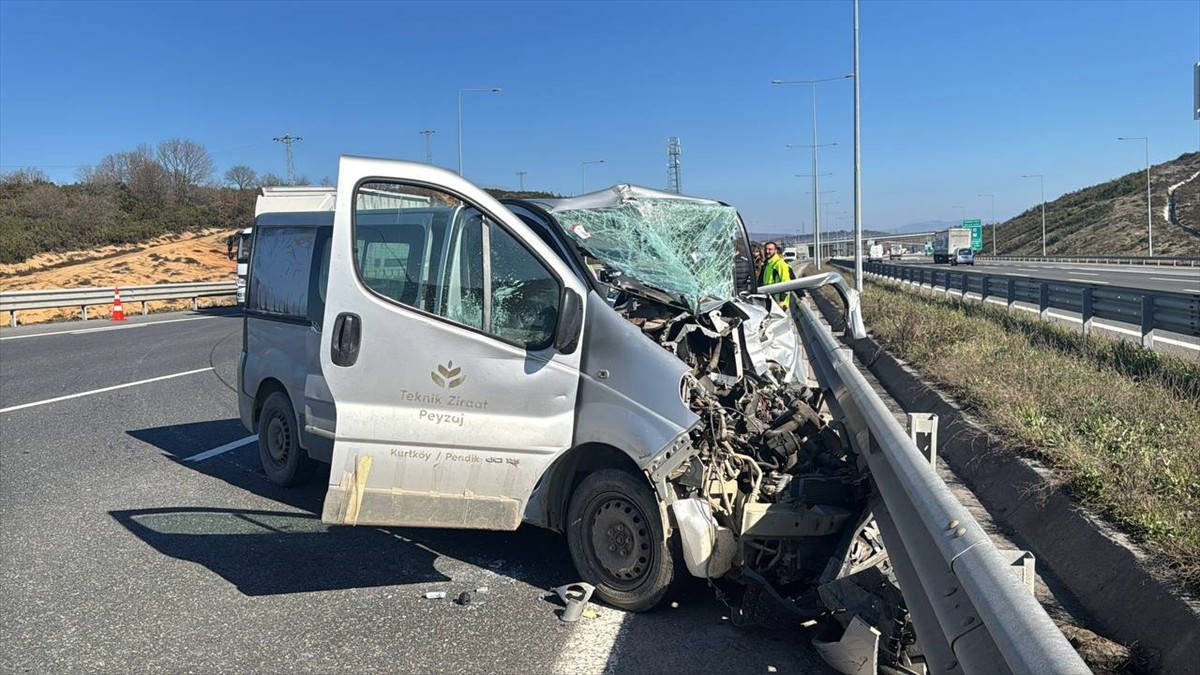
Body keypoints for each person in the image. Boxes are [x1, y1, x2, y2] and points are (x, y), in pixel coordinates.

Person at [760, 241, 794, 309]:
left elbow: (786, 283)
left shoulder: (780, 264)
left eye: (770, 249)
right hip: (770, 300)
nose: (767, 251)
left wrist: (782, 301)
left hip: (778, 303)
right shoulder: (768, 263)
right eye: (766, 249)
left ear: (775, 251)